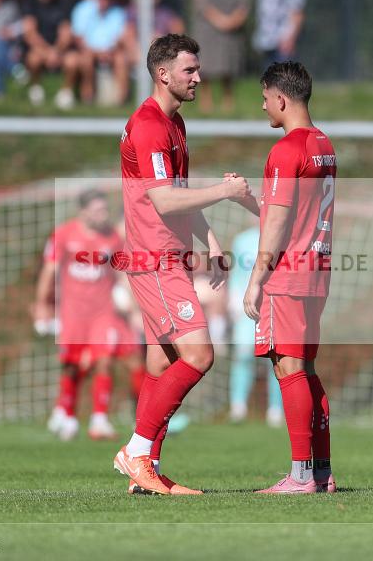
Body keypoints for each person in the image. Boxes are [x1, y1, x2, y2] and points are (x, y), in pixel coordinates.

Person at [112, 33, 252, 496]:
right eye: (190, 70)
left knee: (163, 361)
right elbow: (167, 200)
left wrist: (211, 240)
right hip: (154, 259)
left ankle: (145, 469)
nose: (199, 77)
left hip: (168, 255)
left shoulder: (175, 124)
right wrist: (228, 192)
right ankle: (136, 452)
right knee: (200, 355)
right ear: (162, 74)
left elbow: (180, 198)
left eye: (198, 68)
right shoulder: (150, 124)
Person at [237, 61, 336, 494]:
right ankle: (321, 470)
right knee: (308, 370)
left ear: (281, 98)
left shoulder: (285, 149)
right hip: (317, 270)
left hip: (289, 274)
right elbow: (291, 213)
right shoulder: (324, 145)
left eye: (264, 99)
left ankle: (300, 477)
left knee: (289, 369)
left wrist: (256, 278)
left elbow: (277, 227)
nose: (263, 108)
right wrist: (248, 202)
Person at [34, 189, 144, 441]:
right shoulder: (63, 234)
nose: (102, 215)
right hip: (72, 313)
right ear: (82, 211)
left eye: (104, 210)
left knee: (104, 358)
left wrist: (134, 306)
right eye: (97, 210)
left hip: (103, 312)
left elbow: (121, 273)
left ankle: (99, 420)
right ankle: (67, 412)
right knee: (72, 367)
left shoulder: (113, 238)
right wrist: (42, 304)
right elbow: (49, 271)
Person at [227, 221, 284, 426]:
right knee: (243, 356)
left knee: (276, 359)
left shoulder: (281, 238)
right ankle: (238, 406)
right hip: (246, 309)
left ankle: (276, 410)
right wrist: (233, 300)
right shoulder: (242, 240)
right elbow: (235, 274)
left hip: (273, 308)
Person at [192, 0, 250, 113]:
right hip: (207, 32)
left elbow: (244, 7)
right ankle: (206, 103)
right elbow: (202, 5)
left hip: (231, 34)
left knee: (228, 66)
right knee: (205, 67)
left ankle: (228, 102)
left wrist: (232, 21)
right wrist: (220, 20)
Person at [22, 0, 80, 109]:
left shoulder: (63, 3)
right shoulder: (30, 2)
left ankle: (66, 93)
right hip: (40, 50)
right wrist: (47, 52)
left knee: (73, 60)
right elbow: (30, 33)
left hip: (60, 50)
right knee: (33, 59)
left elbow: (66, 33)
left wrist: (57, 51)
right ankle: (35, 88)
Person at [71, 0, 129, 105]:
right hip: (89, 50)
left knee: (121, 59)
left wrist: (109, 51)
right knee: (86, 59)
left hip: (111, 51)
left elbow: (120, 38)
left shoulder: (118, 13)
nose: (103, 2)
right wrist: (96, 52)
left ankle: (122, 98)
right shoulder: (83, 10)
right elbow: (78, 38)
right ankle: (87, 95)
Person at [252, 0, 304, 67]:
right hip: (267, 39)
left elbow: (297, 10)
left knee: (283, 80)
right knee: (268, 81)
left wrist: (290, 38)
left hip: (283, 40)